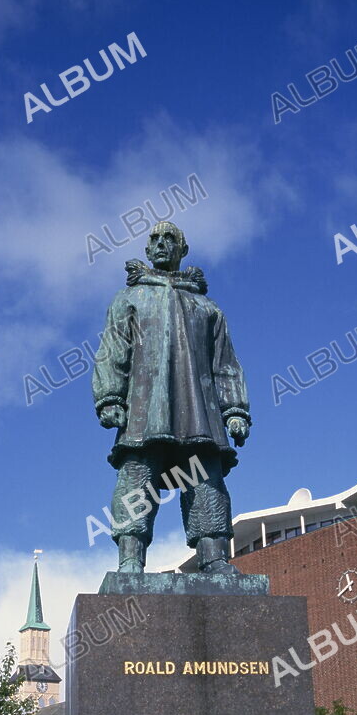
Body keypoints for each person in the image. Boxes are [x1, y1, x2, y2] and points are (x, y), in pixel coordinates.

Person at [93, 220, 251, 573]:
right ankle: (131, 559)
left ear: (183, 249)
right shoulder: (129, 299)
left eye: (170, 238)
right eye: (155, 239)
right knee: (138, 476)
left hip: (199, 411)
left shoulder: (207, 308)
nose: (162, 244)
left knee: (204, 477)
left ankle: (214, 557)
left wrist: (235, 408)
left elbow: (224, 363)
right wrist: (110, 398)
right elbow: (112, 352)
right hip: (145, 410)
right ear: (147, 250)